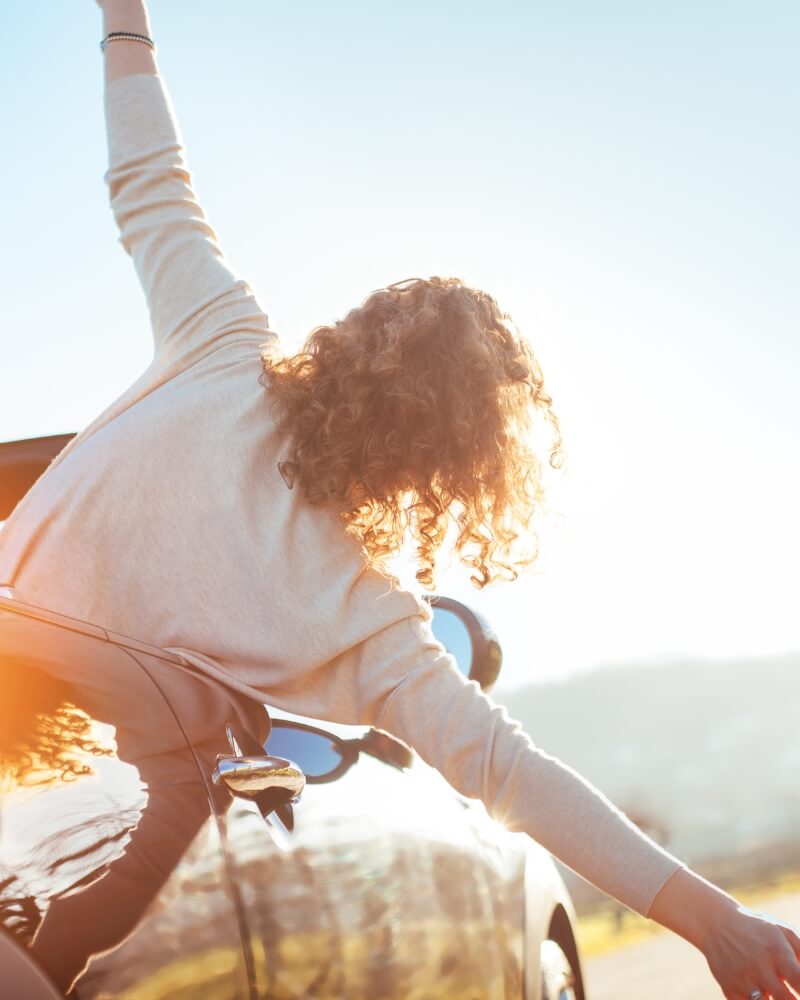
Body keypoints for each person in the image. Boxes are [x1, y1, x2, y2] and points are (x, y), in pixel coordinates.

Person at [1, 3, 797, 998]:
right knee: (149, 825)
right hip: (65, 798)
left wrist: (125, 19)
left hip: (14, 701)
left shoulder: (220, 342)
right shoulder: (369, 624)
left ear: (358, 335)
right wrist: (710, 920)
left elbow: (149, 179)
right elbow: (512, 774)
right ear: (457, 473)